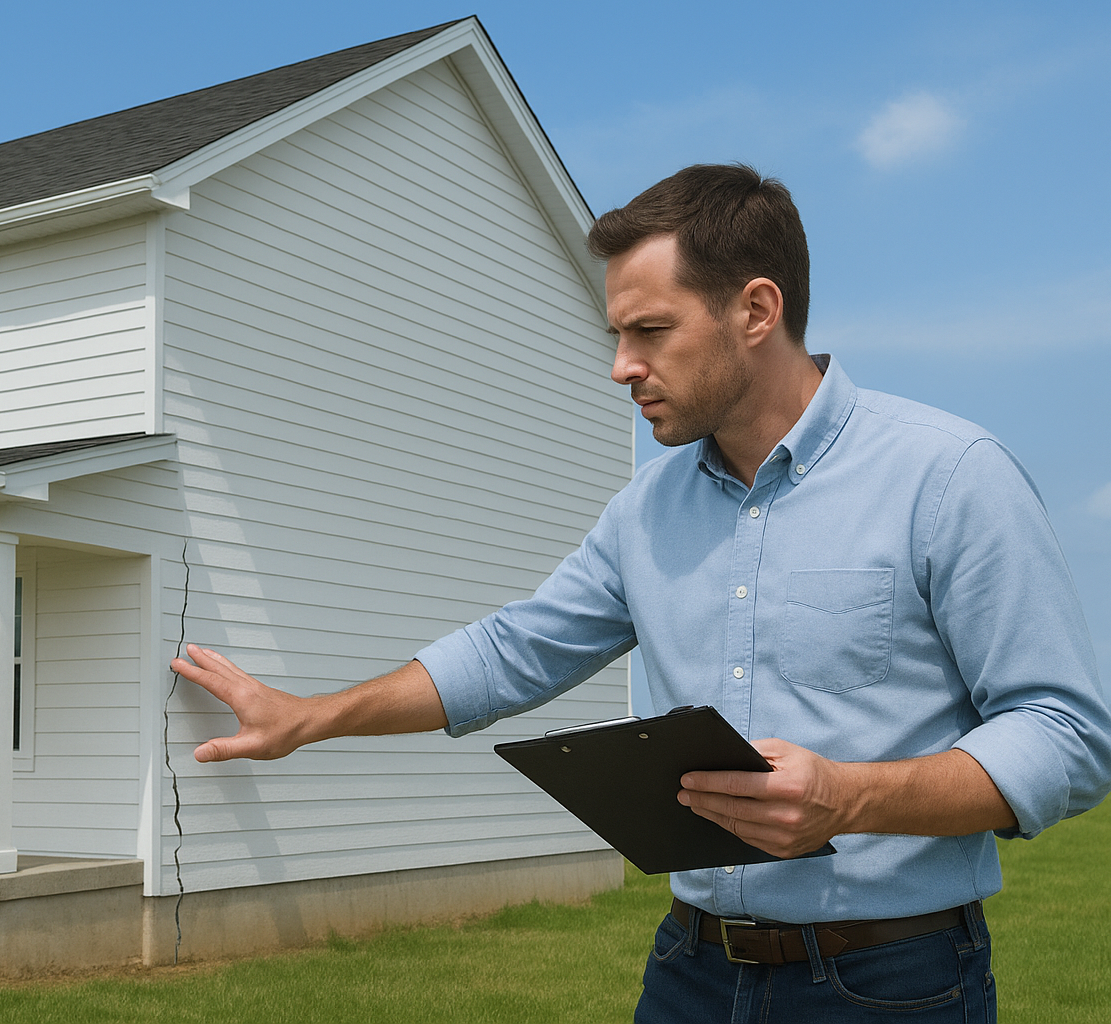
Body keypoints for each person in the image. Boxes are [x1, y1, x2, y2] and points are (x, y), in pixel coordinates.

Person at [170, 163, 1111, 1021]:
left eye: (649, 331)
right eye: (617, 334)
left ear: (756, 309)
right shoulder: (645, 510)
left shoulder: (950, 476)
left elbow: (1064, 735)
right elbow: (514, 650)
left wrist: (850, 797)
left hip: (891, 983)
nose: (621, 366)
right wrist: (312, 717)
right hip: (690, 973)